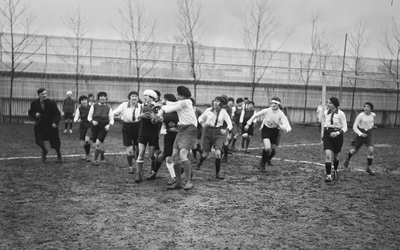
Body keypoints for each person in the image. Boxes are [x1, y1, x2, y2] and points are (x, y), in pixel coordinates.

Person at [156, 85, 198, 190]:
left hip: (190, 129)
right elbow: (173, 103)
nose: (177, 96)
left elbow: (172, 107)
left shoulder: (186, 102)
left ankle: (188, 182)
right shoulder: (183, 102)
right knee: (175, 156)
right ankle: (179, 182)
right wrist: (161, 103)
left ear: (183, 95)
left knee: (183, 155)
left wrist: (161, 109)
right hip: (181, 129)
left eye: (179, 94)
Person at [244, 97, 291, 172]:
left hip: (275, 131)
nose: (274, 105)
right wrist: (248, 124)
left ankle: (265, 162)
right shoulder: (266, 110)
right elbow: (255, 115)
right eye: (272, 103)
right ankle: (262, 163)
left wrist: (279, 125)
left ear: (279, 104)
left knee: (270, 151)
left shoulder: (281, 114)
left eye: (276, 103)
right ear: (270, 104)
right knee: (267, 148)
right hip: (266, 130)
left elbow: (285, 125)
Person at [196, 96, 233, 179]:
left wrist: (226, 130)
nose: (216, 103)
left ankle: (217, 173)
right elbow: (200, 118)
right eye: (215, 101)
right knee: (205, 154)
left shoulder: (223, 113)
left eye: (218, 101)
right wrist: (202, 123)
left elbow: (230, 125)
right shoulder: (208, 110)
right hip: (208, 132)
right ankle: (200, 162)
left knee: (218, 153)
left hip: (218, 133)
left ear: (222, 104)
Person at [146, 93, 179, 183]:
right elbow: (156, 120)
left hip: (178, 135)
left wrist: (176, 126)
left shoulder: (178, 109)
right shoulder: (164, 109)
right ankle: (154, 173)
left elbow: (184, 122)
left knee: (172, 157)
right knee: (162, 156)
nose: (163, 101)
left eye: (165, 99)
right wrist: (154, 117)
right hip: (168, 135)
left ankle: (176, 177)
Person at [28, 88, 63, 163]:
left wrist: (55, 123)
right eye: (42, 94)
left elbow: (57, 114)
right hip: (40, 125)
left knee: (55, 141)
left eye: (45, 94)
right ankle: (44, 150)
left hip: (50, 125)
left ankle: (59, 155)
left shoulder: (51, 103)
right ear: (38, 95)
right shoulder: (34, 103)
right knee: (38, 141)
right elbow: (30, 112)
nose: (44, 95)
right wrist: (35, 115)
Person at [113, 91, 143, 174]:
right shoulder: (124, 105)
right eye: (132, 96)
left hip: (138, 127)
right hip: (127, 127)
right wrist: (114, 114)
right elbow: (116, 112)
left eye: (136, 96)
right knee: (129, 150)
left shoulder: (141, 106)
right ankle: (130, 167)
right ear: (129, 98)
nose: (134, 98)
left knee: (138, 148)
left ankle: (138, 166)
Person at [343, 102, 376, 175]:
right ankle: (348, 158)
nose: (366, 108)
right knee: (355, 150)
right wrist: (361, 134)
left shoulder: (373, 115)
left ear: (371, 108)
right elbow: (354, 127)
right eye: (365, 106)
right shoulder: (360, 116)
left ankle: (369, 167)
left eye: (368, 107)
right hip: (361, 134)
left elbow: (371, 122)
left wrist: (372, 126)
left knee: (371, 150)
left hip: (369, 134)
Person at [135, 89, 160, 183]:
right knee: (140, 152)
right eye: (144, 95)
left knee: (151, 155)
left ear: (151, 97)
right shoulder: (141, 105)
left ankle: (153, 163)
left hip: (153, 132)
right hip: (143, 131)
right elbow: (137, 116)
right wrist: (143, 115)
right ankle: (138, 174)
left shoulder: (157, 106)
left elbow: (157, 120)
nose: (144, 97)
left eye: (146, 95)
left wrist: (153, 117)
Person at [321, 97, 348, 182]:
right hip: (327, 134)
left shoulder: (341, 114)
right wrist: (323, 134)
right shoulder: (325, 113)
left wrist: (337, 133)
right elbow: (324, 124)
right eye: (327, 102)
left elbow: (345, 128)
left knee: (336, 155)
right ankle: (328, 176)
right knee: (328, 154)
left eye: (330, 103)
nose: (328, 104)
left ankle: (335, 170)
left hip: (337, 135)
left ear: (335, 104)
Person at [87, 91, 114, 166]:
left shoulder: (108, 108)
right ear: (98, 98)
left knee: (98, 143)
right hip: (95, 126)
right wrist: (92, 121)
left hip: (104, 127)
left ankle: (95, 160)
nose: (103, 97)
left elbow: (112, 119)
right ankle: (101, 151)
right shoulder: (94, 106)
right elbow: (89, 117)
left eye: (104, 96)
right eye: (101, 96)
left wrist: (109, 125)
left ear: (106, 98)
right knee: (95, 145)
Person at [73, 95, 93, 162]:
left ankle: (88, 155)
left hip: (90, 126)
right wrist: (77, 120)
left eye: (85, 100)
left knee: (87, 140)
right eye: (82, 100)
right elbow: (75, 118)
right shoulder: (79, 109)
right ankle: (87, 154)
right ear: (80, 102)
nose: (84, 101)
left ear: (87, 101)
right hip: (82, 126)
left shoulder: (91, 108)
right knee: (84, 143)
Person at [190, 97, 203, 164]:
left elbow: (203, 117)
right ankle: (201, 152)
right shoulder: (186, 110)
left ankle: (195, 157)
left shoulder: (197, 110)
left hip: (197, 129)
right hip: (189, 129)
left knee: (193, 143)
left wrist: (201, 123)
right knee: (193, 143)